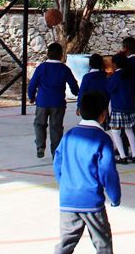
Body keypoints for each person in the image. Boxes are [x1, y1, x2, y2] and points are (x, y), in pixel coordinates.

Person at [52, 90, 120, 254]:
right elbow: (107, 172)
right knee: (102, 242)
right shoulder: (102, 139)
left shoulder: (69, 135)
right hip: (91, 201)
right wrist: (115, 196)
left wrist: (65, 184)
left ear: (80, 111)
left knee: (66, 242)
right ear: (104, 114)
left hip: (68, 199)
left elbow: (57, 164)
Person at [28, 42, 80, 159]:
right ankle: (55, 152)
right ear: (61, 55)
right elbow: (73, 85)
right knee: (56, 127)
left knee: (39, 124)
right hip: (58, 103)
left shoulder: (41, 68)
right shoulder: (64, 69)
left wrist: (31, 96)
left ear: (47, 54)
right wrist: (77, 93)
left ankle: (40, 146)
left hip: (42, 102)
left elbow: (33, 84)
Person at [106, 53, 135, 164]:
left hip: (118, 107)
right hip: (129, 107)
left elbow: (110, 89)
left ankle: (122, 156)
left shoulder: (116, 76)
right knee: (129, 130)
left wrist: (108, 79)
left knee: (115, 132)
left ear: (115, 64)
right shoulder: (127, 75)